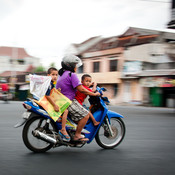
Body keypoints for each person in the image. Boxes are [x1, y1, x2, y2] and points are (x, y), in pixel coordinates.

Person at [56, 55, 100, 142]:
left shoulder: (62, 75)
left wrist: (89, 85)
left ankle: (73, 129)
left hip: (60, 100)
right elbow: (82, 89)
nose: (76, 67)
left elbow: (78, 85)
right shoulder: (71, 75)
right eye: (75, 65)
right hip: (68, 101)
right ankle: (77, 135)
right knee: (86, 115)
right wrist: (94, 94)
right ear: (70, 65)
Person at [46, 67, 70, 141]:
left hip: (48, 101)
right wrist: (55, 105)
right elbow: (47, 96)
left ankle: (59, 121)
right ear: (48, 75)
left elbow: (51, 93)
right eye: (53, 74)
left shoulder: (51, 84)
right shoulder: (49, 84)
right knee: (66, 111)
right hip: (47, 102)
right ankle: (63, 129)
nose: (55, 76)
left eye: (56, 75)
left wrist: (57, 91)